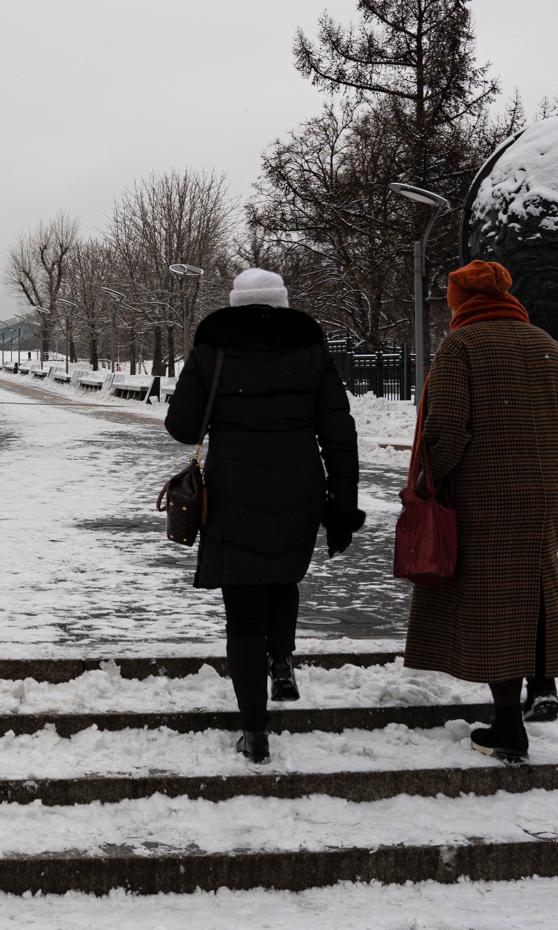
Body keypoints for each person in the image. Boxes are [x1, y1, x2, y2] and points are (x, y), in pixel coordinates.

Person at [166, 268, 363, 763]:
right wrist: (342, 505)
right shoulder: (313, 352)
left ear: (235, 305)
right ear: (282, 304)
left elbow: (182, 426)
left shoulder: (215, 349)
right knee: (281, 574)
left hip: (233, 487)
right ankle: (281, 661)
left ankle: (255, 733)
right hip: (300, 485)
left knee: (244, 605)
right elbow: (340, 435)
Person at [403, 259, 558, 763]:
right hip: (544, 494)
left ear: (461, 300)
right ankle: (543, 688)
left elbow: (446, 428)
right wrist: (551, 462)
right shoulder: (550, 346)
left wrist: (428, 484)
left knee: (494, 602)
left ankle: (509, 725)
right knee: (534, 585)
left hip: (481, 493)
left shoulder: (462, 346)